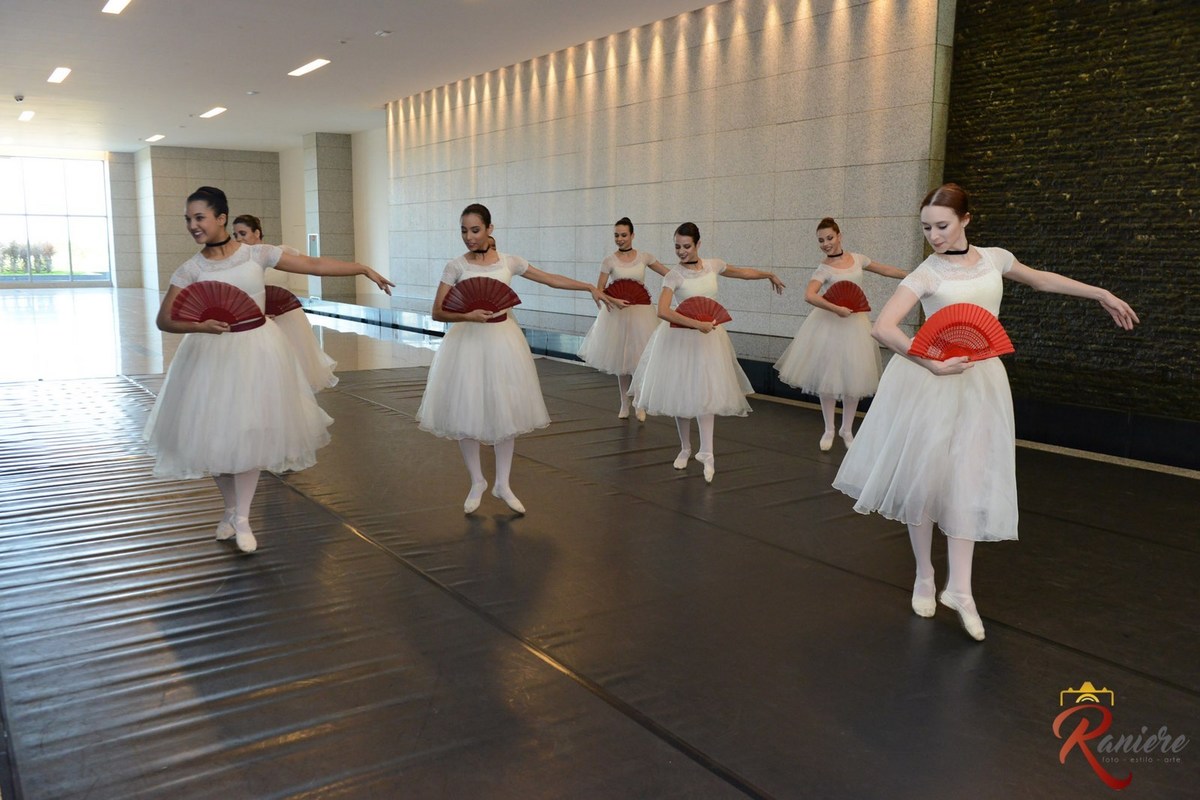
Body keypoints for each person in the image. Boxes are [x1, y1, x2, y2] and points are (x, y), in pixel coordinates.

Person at [832, 183, 1138, 640]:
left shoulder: (995, 258)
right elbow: (884, 327)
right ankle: (923, 575)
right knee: (926, 480)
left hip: (981, 384)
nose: (933, 235)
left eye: (942, 225)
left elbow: (1040, 279)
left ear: (966, 220)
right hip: (930, 382)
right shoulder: (925, 273)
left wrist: (1100, 293)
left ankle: (961, 589)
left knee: (970, 478)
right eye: (926, 228)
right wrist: (931, 362)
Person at [143, 186, 393, 553]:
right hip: (209, 357)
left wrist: (362, 268)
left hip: (257, 353)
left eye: (200, 218)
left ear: (221, 218)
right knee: (214, 434)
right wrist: (200, 325)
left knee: (250, 430)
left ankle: (242, 516)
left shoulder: (256, 255)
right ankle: (230, 509)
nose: (193, 225)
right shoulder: (190, 269)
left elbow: (315, 265)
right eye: (188, 220)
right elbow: (165, 319)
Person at [416, 203, 624, 515]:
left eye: (475, 230)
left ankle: (502, 483)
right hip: (467, 344)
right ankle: (477, 480)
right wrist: (468, 315)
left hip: (503, 342)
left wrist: (589, 287)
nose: (469, 237)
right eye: (463, 230)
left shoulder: (509, 262)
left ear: (490, 229)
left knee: (507, 412)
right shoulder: (455, 266)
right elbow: (437, 311)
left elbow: (550, 279)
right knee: (466, 411)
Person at [631, 222, 786, 482]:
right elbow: (664, 311)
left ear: (698, 244)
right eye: (677, 246)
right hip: (681, 339)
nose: (681, 251)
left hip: (710, 341)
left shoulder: (713, 265)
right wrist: (696, 324)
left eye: (686, 246)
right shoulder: (673, 276)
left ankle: (708, 453)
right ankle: (685, 447)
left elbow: (742, 273)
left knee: (706, 395)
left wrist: (767, 274)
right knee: (681, 396)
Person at [773, 218, 907, 450]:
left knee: (854, 377)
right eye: (821, 240)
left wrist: (910, 275)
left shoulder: (857, 259)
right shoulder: (823, 268)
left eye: (829, 238)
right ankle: (829, 429)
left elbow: (884, 269)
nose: (826, 244)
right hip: (830, 326)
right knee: (829, 378)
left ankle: (846, 428)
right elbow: (810, 295)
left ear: (839, 236)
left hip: (856, 326)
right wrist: (836, 308)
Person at [577, 217, 669, 421]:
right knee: (622, 360)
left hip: (641, 314)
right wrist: (613, 299)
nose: (620, 239)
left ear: (633, 235)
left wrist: (689, 277)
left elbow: (668, 274)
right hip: (616, 315)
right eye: (616, 235)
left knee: (640, 359)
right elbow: (599, 290)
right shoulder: (609, 261)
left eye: (624, 235)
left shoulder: (645, 257)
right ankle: (623, 402)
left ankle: (639, 402)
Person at [232, 213, 338, 391]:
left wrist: (360, 268)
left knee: (294, 367)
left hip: (289, 318)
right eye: (235, 235)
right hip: (260, 321)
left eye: (243, 233)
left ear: (257, 233)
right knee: (264, 370)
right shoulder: (238, 263)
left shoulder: (281, 251)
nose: (239, 239)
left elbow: (312, 263)